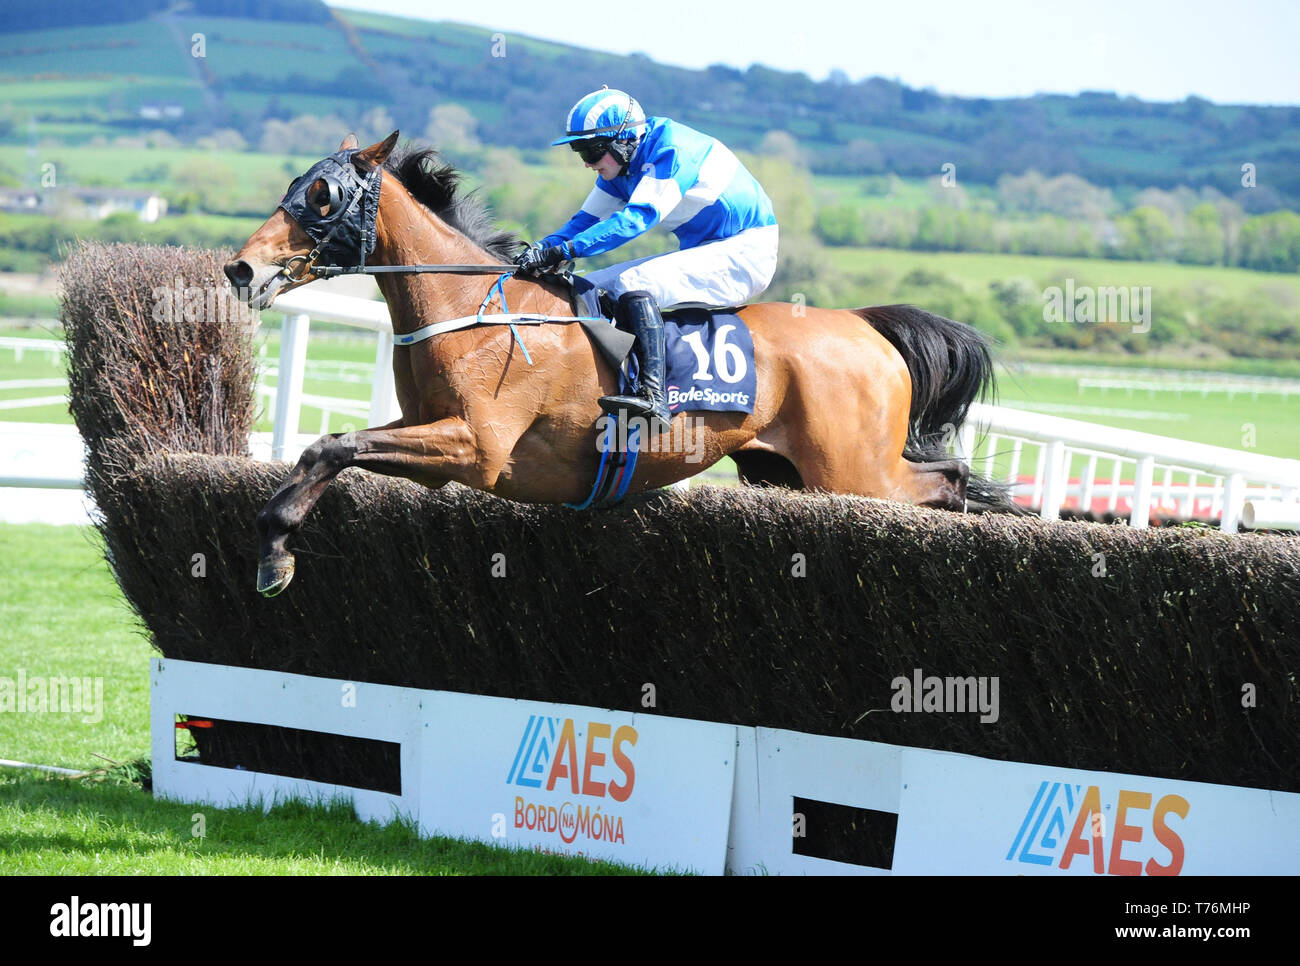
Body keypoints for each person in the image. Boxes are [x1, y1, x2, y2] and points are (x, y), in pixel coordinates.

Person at [515, 87, 779, 427]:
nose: (587, 162)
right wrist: (539, 249)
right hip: (708, 250)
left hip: (745, 253)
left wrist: (564, 251)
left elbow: (635, 220)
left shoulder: (672, 149)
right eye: (581, 151)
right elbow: (584, 222)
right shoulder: (622, 165)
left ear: (624, 140)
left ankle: (653, 398)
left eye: (592, 151)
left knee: (630, 284)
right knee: (588, 287)